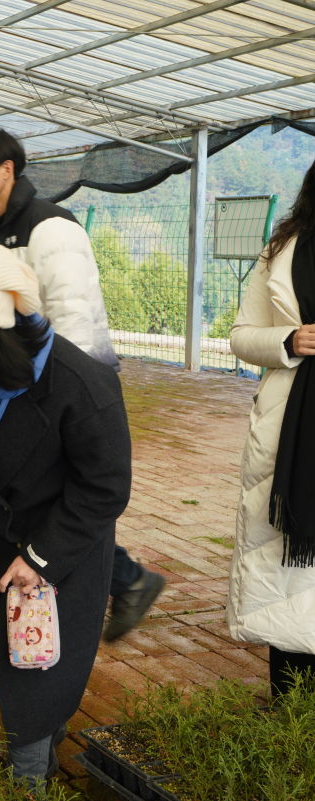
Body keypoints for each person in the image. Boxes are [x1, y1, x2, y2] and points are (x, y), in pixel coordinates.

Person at [0, 243, 131, 785]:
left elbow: (105, 488)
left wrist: (40, 559)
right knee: (16, 655)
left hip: (64, 546)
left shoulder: (80, 384)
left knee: (36, 672)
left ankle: (28, 783)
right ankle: (43, 747)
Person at [0, 128, 165, 642]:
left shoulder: (52, 228)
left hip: (62, 394)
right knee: (37, 501)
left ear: (7, 169)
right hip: (20, 391)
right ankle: (123, 579)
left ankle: (122, 580)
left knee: (69, 498)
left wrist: (51, 398)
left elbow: (72, 321)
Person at [227, 156, 315, 696]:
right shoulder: (283, 252)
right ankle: (289, 705)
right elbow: (241, 334)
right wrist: (289, 341)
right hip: (292, 428)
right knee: (287, 568)